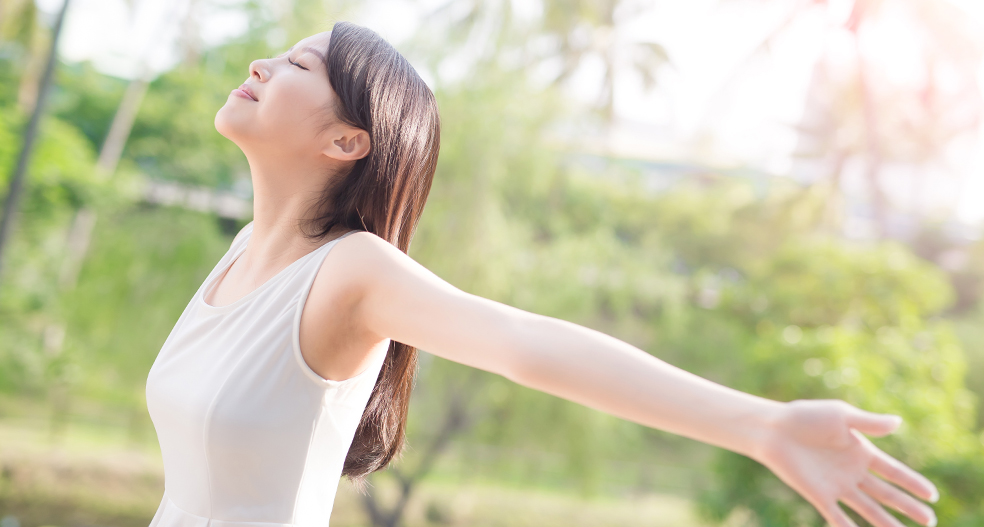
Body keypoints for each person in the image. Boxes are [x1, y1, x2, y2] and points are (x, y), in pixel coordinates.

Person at [144, 21, 939, 527]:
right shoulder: (240, 250)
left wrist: (760, 424)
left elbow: (527, 344)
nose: (261, 62)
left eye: (298, 65)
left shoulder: (352, 270)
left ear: (350, 140)